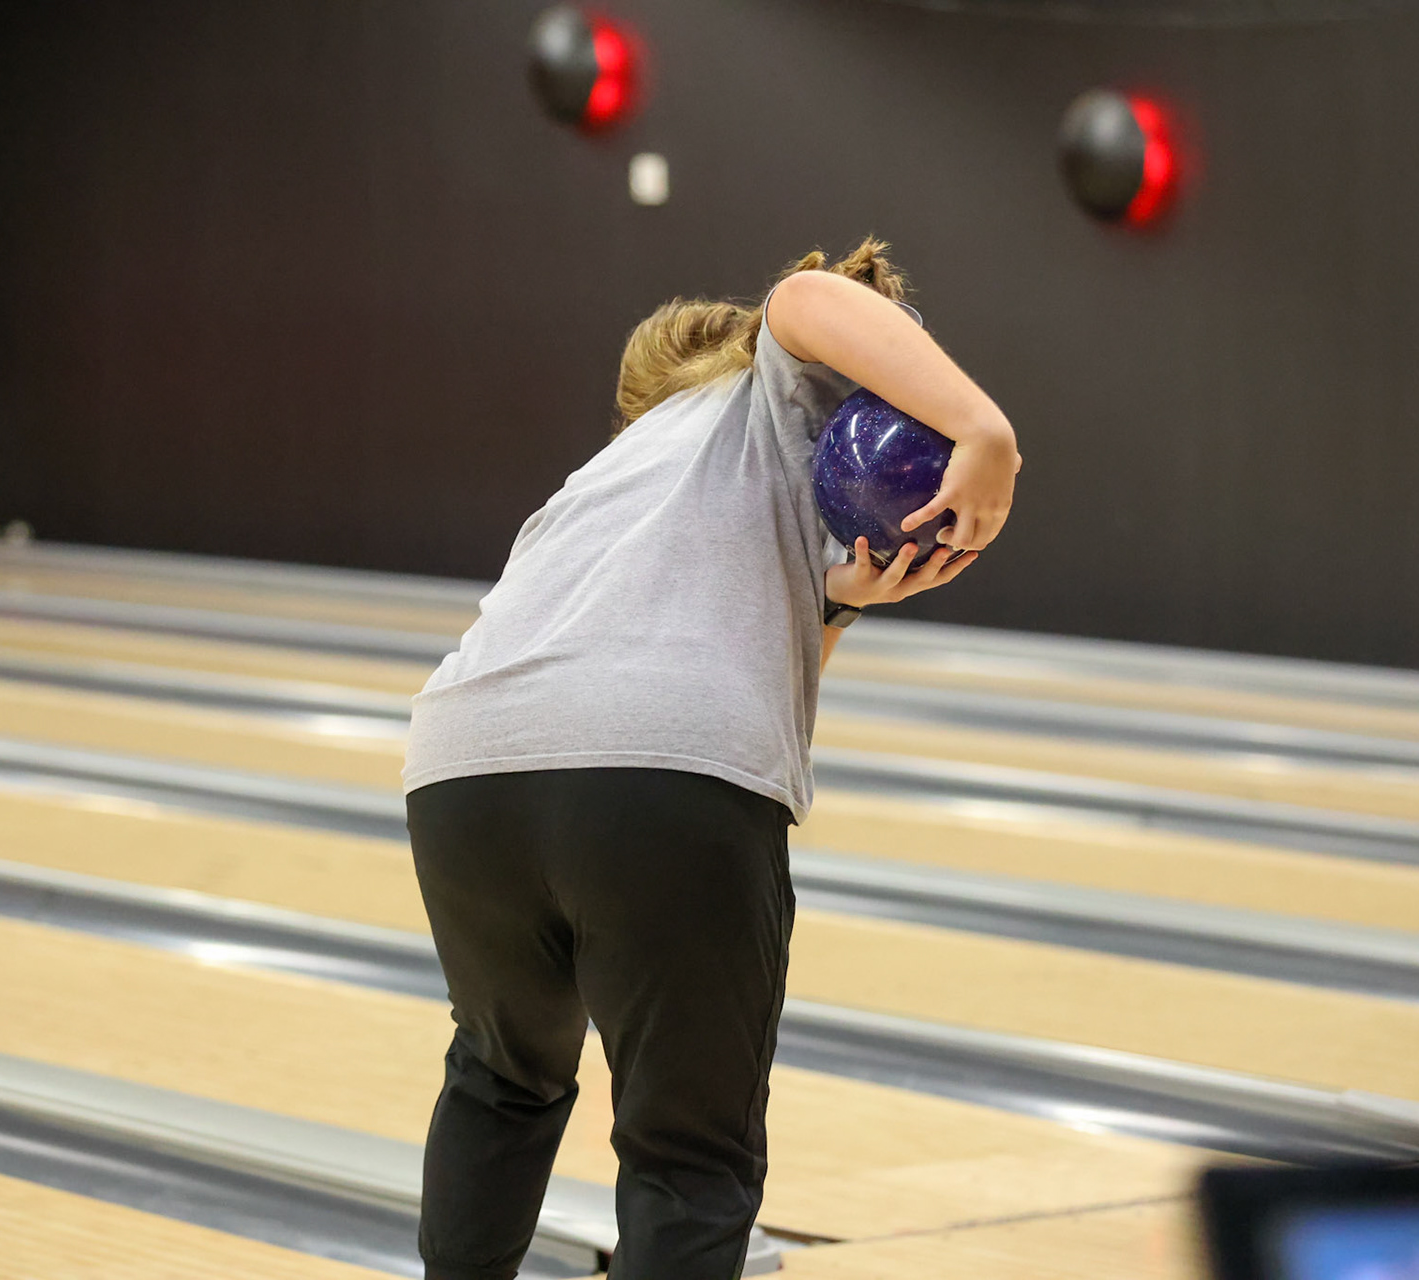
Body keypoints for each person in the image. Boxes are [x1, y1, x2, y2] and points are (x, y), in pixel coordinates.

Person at [402, 239, 1020, 1280]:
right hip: (662, 774)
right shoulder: (778, 385)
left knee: (503, 1076)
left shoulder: (623, 466)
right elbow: (806, 295)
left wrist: (841, 602)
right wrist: (984, 431)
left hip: (462, 769)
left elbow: (764, 673)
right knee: (690, 1153)